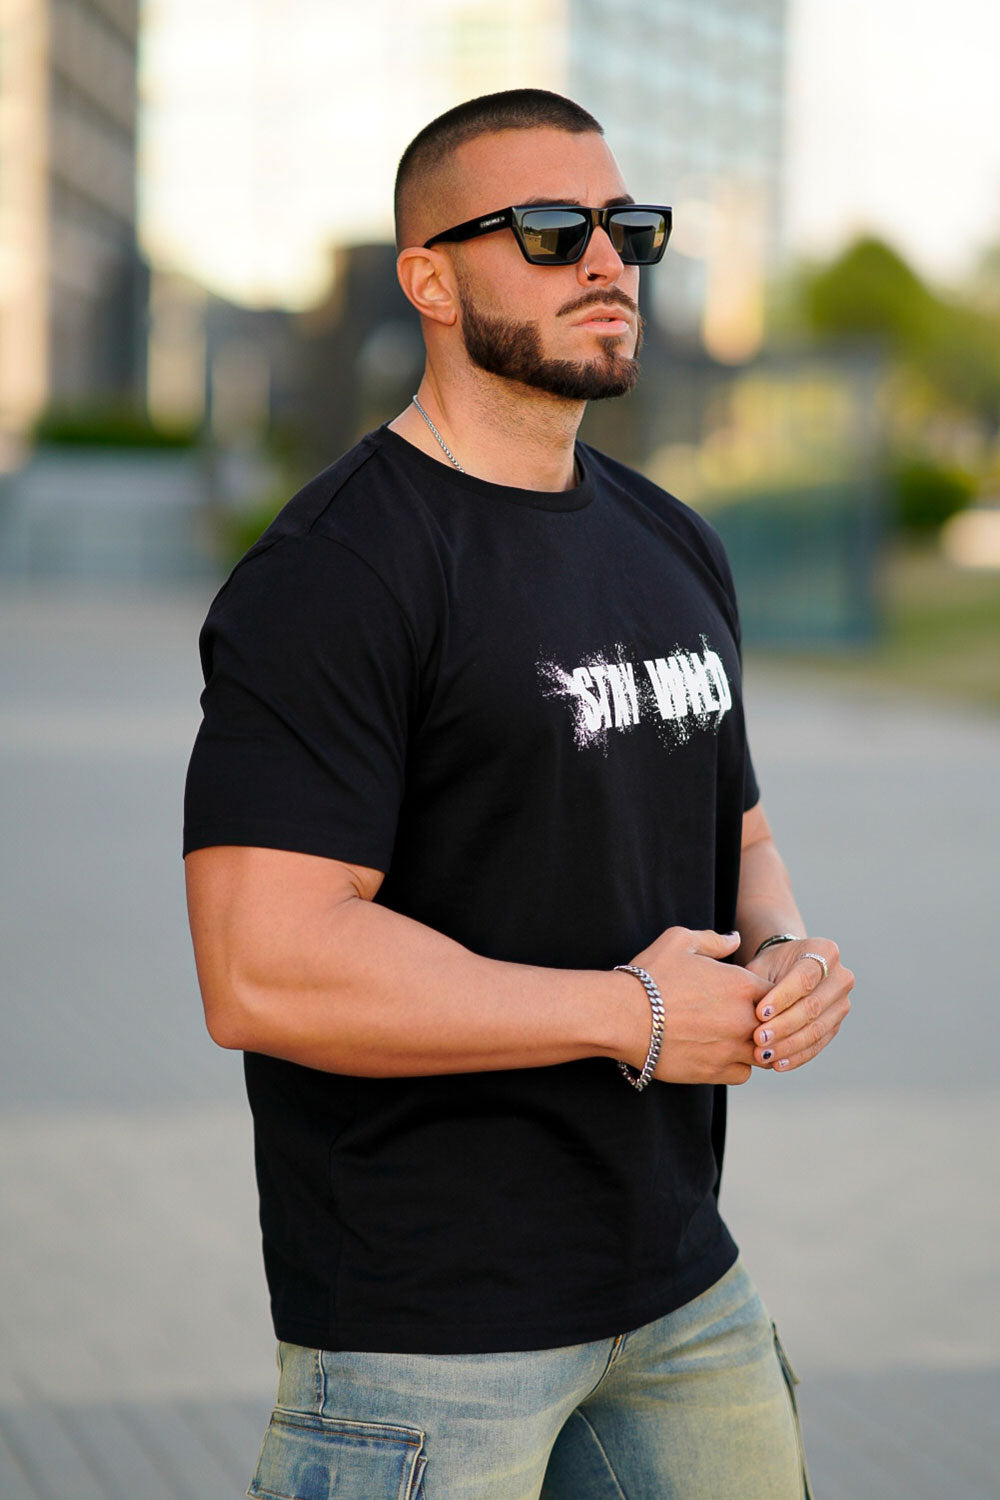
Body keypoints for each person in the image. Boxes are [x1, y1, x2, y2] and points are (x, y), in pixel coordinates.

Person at [183, 88, 852, 1500]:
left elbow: (738, 828)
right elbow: (264, 967)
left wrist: (783, 953)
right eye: (549, 229)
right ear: (429, 281)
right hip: (431, 1336)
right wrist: (633, 1013)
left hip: (684, 1290)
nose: (605, 260)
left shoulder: (674, 541)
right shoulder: (336, 574)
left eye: (629, 227)